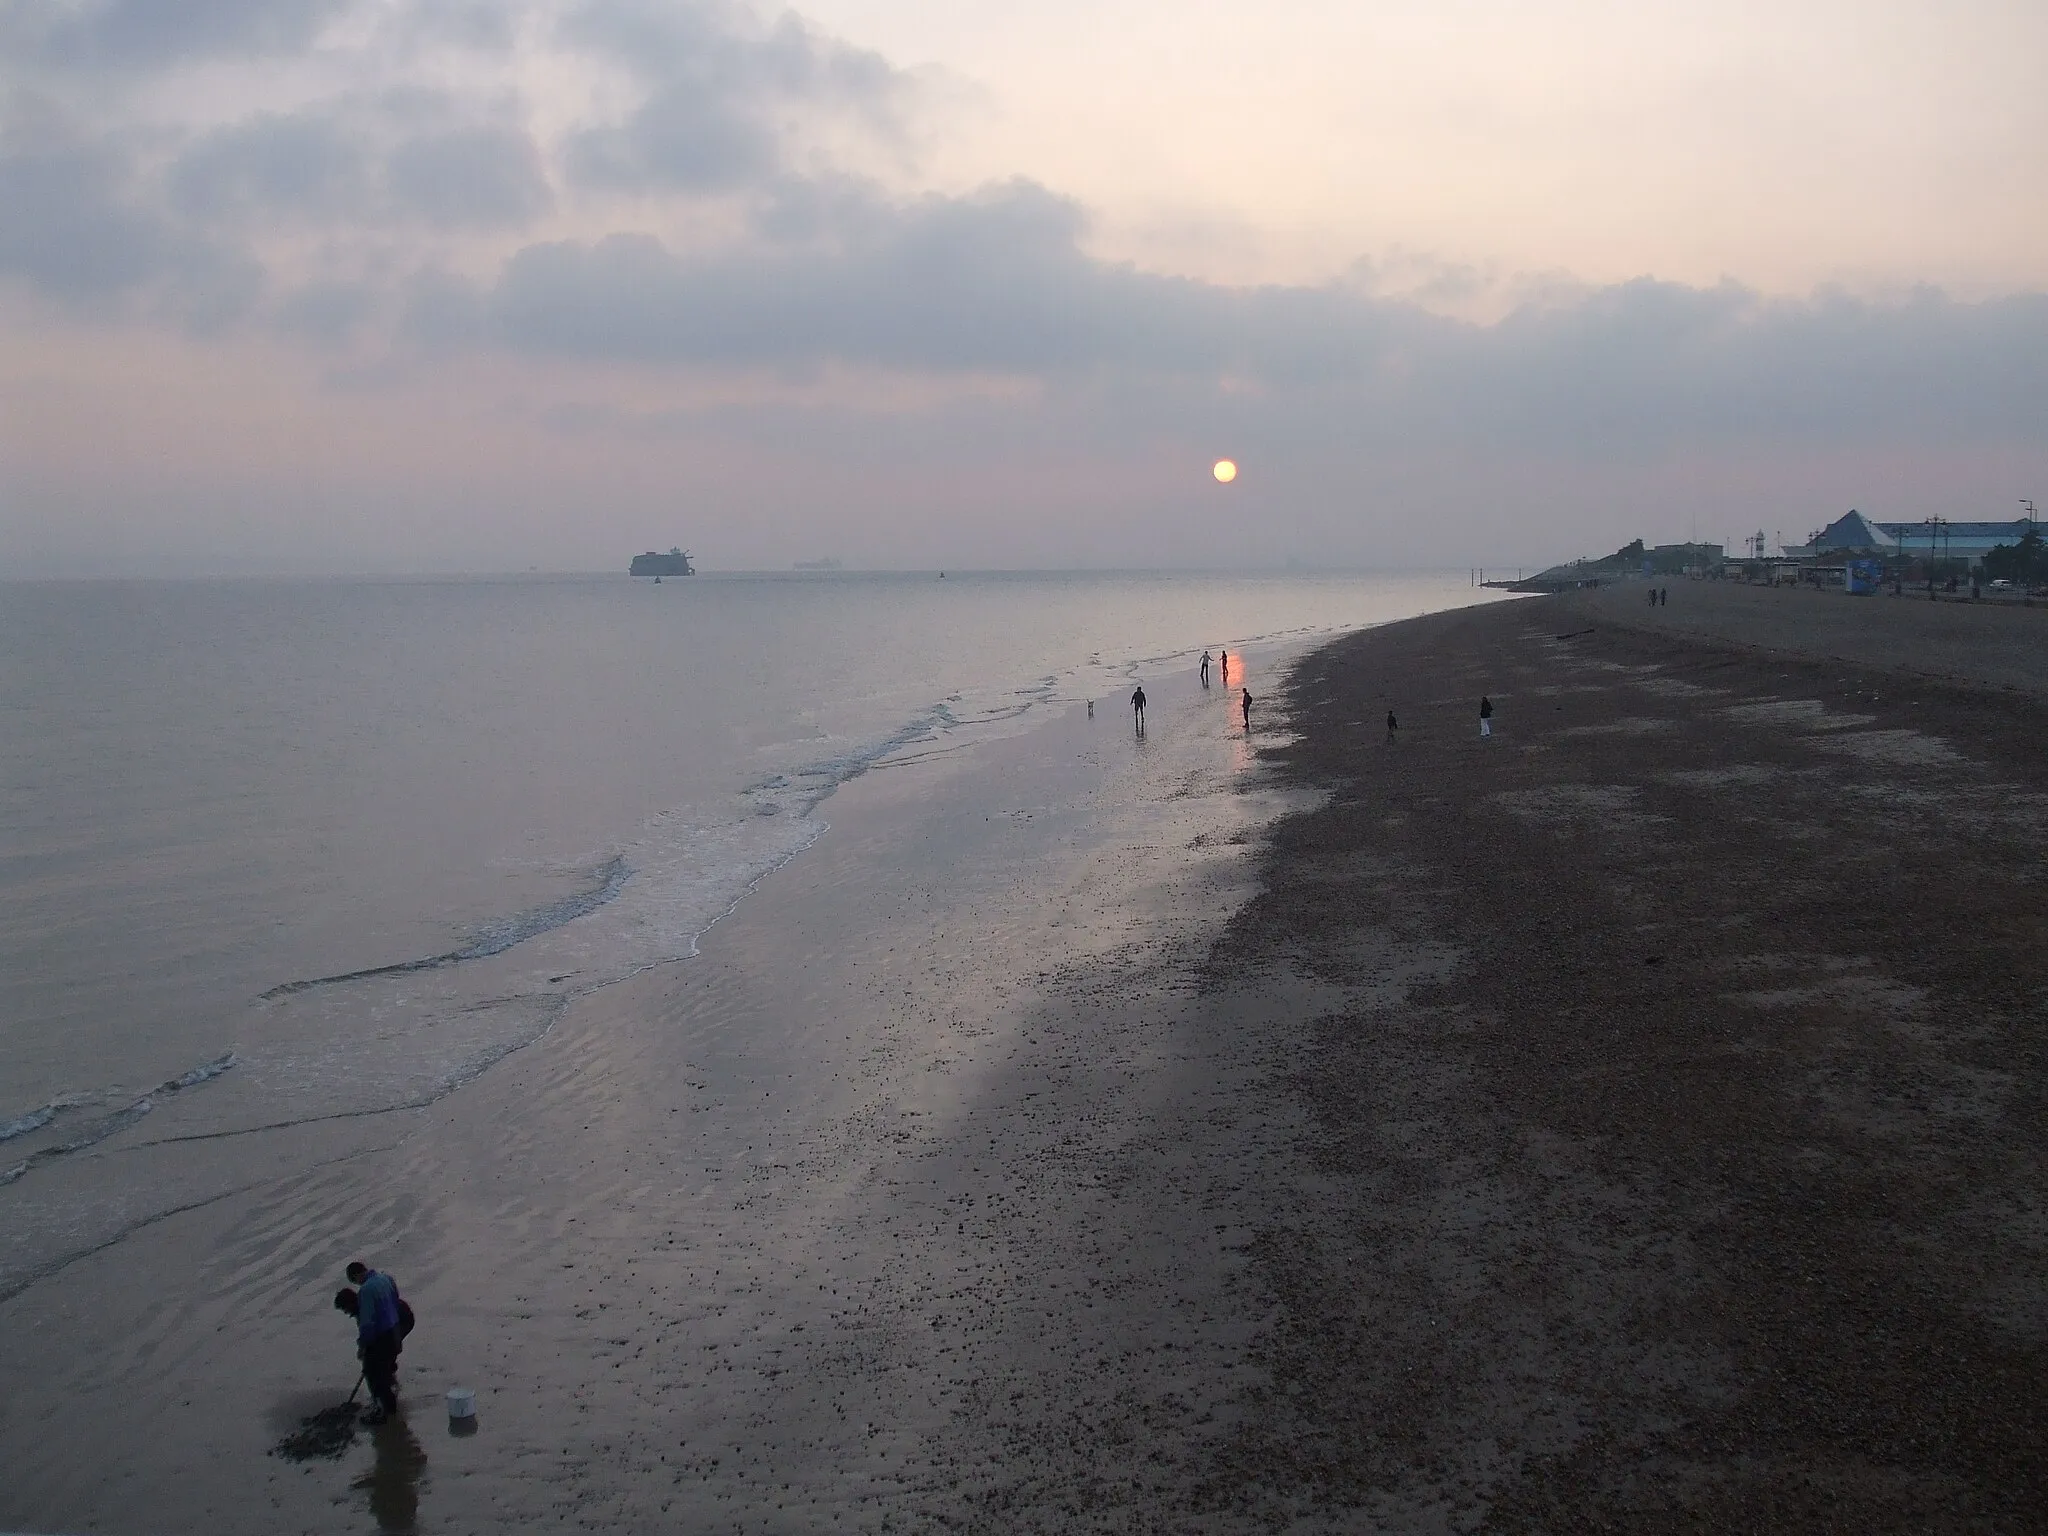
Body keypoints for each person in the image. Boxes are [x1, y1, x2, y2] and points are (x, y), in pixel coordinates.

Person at [346, 1260, 405, 1423]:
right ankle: (390, 1405)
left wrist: (363, 1346)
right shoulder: (387, 1279)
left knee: (375, 1374)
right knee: (386, 1369)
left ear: (357, 1276)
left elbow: (367, 1322)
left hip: (381, 1336)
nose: (357, 1284)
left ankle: (384, 1412)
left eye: (354, 1281)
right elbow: (396, 1301)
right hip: (395, 1330)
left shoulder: (365, 1291)